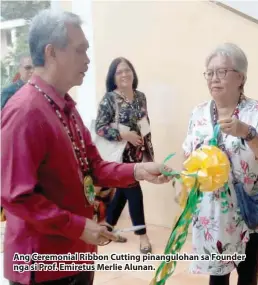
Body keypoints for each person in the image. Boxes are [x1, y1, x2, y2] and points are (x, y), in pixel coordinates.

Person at [1, 9, 171, 285]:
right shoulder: (25, 112)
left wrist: (139, 170)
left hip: (77, 255)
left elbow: (94, 166)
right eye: (80, 50)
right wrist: (78, 227)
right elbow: (16, 196)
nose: (88, 59)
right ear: (51, 52)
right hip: (43, 264)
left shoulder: (65, 107)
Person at [182, 43, 258, 285]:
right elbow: (187, 155)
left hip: (246, 210)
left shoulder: (256, 112)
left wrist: (247, 133)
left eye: (222, 72)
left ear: (241, 78)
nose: (214, 79)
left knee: (247, 276)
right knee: (217, 279)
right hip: (212, 214)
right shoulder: (198, 113)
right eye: (210, 72)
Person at [95, 57, 154, 254]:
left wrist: (148, 154)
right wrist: (124, 134)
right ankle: (143, 236)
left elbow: (145, 125)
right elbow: (100, 128)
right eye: (119, 72)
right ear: (113, 77)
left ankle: (108, 228)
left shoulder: (140, 97)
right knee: (133, 191)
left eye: (127, 70)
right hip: (120, 157)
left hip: (136, 154)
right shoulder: (109, 99)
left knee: (123, 191)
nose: (124, 75)